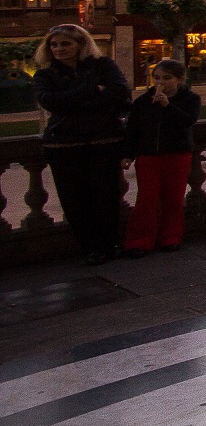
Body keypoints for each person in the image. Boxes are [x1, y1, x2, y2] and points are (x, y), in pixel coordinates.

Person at [33, 25, 132, 265]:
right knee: (75, 199)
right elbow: (52, 102)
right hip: (64, 145)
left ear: (81, 44)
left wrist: (75, 102)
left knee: (107, 195)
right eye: (54, 45)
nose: (59, 49)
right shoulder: (45, 75)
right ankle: (92, 248)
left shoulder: (103, 65)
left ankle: (112, 244)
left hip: (104, 141)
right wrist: (92, 91)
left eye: (65, 44)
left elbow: (120, 93)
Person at [123, 59, 201, 255]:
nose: (161, 83)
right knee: (146, 199)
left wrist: (168, 106)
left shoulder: (190, 99)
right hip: (149, 156)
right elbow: (133, 130)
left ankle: (171, 237)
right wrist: (127, 154)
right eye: (157, 78)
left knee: (173, 199)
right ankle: (139, 241)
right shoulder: (142, 102)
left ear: (180, 79)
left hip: (177, 154)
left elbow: (187, 121)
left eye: (167, 78)